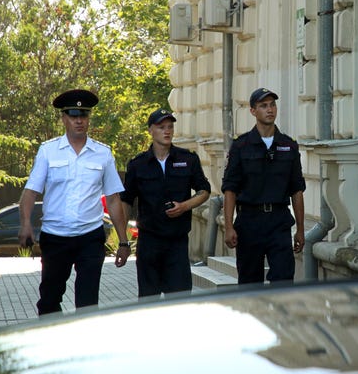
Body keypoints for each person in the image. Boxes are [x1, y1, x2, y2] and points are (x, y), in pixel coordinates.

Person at [18, 89, 131, 315]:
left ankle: (83, 348)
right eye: (73, 115)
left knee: (88, 303)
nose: (79, 121)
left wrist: (123, 241)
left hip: (90, 237)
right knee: (49, 299)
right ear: (64, 118)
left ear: (89, 118)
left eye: (84, 115)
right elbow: (30, 192)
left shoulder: (103, 153)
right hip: (55, 237)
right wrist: (26, 224)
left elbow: (114, 199)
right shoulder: (48, 151)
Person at [120, 108, 211, 297]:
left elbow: (204, 191)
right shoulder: (138, 165)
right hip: (149, 242)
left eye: (170, 127)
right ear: (151, 130)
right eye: (161, 127)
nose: (167, 131)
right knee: (148, 300)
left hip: (177, 243)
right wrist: (123, 240)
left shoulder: (188, 159)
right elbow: (126, 202)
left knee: (179, 300)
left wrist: (184, 206)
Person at [221, 88, 306, 285]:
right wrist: (228, 227)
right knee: (250, 283)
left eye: (272, 105)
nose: (270, 110)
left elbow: (297, 190)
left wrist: (300, 230)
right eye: (263, 106)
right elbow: (230, 189)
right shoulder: (241, 146)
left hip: (279, 222)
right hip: (249, 221)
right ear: (253, 111)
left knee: (283, 281)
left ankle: (278, 317)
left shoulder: (289, 146)